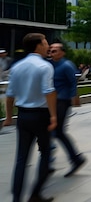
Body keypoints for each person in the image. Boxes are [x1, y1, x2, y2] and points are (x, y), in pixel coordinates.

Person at [3, 33, 57, 202]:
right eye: (46, 42)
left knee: (21, 159)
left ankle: (17, 198)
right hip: (41, 115)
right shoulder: (45, 66)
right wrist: (54, 116)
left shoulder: (17, 67)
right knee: (46, 153)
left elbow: (10, 95)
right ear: (39, 45)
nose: (48, 45)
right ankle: (35, 194)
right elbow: (49, 92)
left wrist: (9, 117)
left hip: (23, 115)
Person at [48, 43, 86, 177]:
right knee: (55, 132)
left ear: (62, 52)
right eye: (50, 51)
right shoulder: (50, 65)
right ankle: (73, 158)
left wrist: (74, 98)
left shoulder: (66, 65)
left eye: (55, 51)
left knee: (57, 131)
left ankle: (74, 158)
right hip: (52, 101)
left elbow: (72, 82)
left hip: (62, 101)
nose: (52, 53)